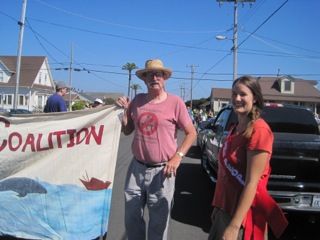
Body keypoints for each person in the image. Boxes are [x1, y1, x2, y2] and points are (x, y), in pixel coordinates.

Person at [116, 59, 196, 240]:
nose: (154, 77)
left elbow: (191, 133)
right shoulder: (137, 101)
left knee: (158, 224)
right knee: (132, 219)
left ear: (165, 78)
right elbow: (128, 131)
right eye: (149, 74)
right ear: (144, 79)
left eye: (158, 74)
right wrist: (124, 114)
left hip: (163, 171)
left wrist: (178, 157)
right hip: (136, 169)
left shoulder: (175, 103)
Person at [208, 76, 287, 240]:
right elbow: (224, 175)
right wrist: (218, 205)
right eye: (234, 94)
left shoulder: (260, 130)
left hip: (243, 216)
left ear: (255, 98)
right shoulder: (235, 128)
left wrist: (234, 226)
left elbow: (252, 183)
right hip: (225, 209)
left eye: (243, 94)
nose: (237, 98)